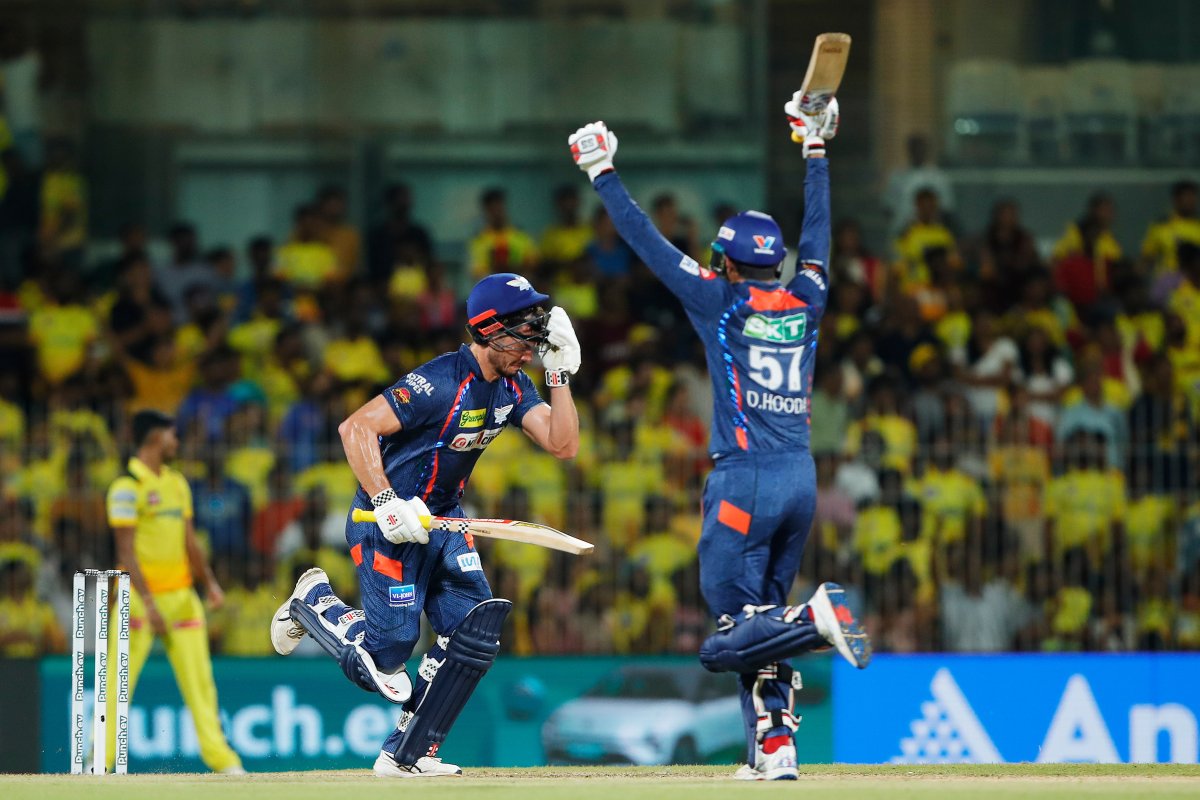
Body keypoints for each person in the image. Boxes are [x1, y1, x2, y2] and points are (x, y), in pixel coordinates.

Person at [568, 94, 870, 782]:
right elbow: (817, 238)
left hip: (744, 479)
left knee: (725, 632)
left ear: (729, 264)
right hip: (800, 479)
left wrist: (602, 172)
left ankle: (818, 615)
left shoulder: (720, 300)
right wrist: (815, 151)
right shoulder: (807, 296)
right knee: (760, 629)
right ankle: (773, 748)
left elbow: (649, 245)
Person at [270, 272, 581, 778]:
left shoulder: (514, 385)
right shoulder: (439, 382)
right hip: (384, 521)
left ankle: (407, 754)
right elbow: (356, 427)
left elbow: (563, 445)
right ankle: (313, 602)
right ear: (490, 329)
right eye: (525, 333)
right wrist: (387, 498)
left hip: (443, 523)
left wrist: (562, 377)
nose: (533, 346)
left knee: (473, 632)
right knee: (388, 656)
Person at [103, 409, 244, 773]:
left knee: (201, 684)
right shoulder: (125, 487)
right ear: (154, 439)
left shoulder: (177, 483)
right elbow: (125, 551)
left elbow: (189, 541)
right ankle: (100, 763)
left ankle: (222, 761)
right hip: (138, 600)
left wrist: (209, 583)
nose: (176, 442)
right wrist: (149, 602)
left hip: (181, 598)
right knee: (117, 683)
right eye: (172, 436)